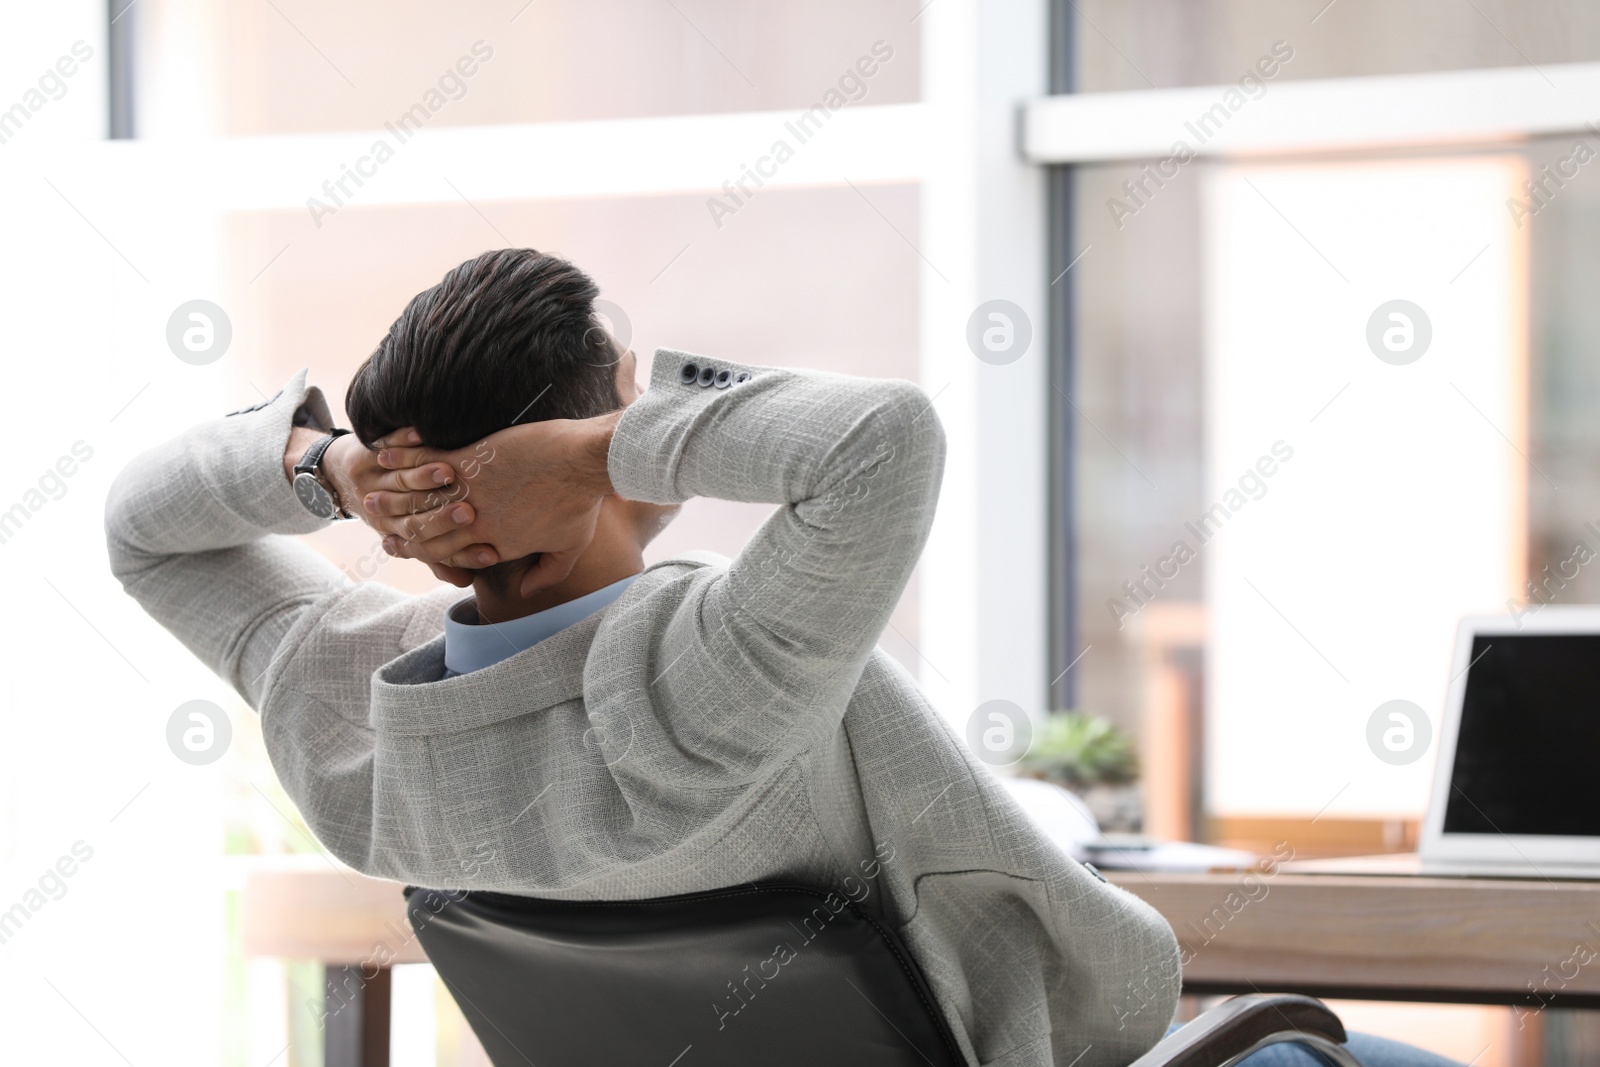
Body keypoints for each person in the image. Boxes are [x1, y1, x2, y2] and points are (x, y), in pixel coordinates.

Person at [105, 248, 1450, 1067]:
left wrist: (333, 469)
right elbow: (878, 441)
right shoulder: (715, 666)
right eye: (622, 409)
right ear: (594, 437)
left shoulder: (349, 715)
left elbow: (143, 528)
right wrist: (591, 455)